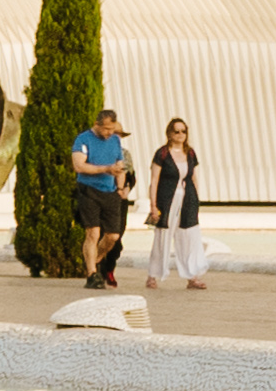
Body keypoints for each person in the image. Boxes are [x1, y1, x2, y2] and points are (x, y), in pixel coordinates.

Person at [66, 109, 131, 285]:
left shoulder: (115, 140)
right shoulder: (83, 139)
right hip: (89, 189)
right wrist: (105, 169)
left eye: (112, 129)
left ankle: (95, 260)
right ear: (97, 125)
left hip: (110, 191)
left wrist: (119, 186)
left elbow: (120, 164)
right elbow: (79, 166)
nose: (109, 133)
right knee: (93, 232)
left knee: (113, 235)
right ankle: (91, 273)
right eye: (106, 129)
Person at [140, 116, 203, 295]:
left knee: (189, 236)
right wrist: (153, 205)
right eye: (177, 131)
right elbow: (154, 180)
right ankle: (153, 275)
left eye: (183, 131)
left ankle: (192, 276)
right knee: (163, 237)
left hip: (187, 199)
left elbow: (193, 177)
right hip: (167, 200)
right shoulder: (162, 154)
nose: (181, 134)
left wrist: (196, 199)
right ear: (169, 133)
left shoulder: (190, 153)